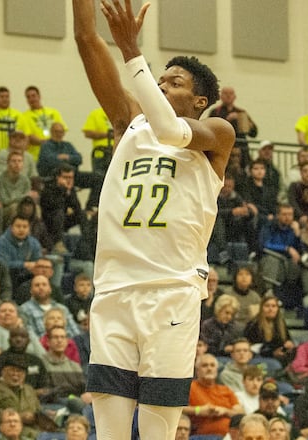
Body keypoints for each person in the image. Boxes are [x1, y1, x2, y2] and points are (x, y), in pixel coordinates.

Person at [73, 1, 235, 438]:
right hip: (114, 289)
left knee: (156, 431)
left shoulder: (217, 133)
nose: (161, 85)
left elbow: (170, 131)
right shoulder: (130, 123)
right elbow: (87, 40)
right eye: (158, 80)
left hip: (171, 292)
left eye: (174, 82)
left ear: (199, 100)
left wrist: (131, 49)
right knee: (108, 431)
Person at [184, 354, 244, 436]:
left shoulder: (225, 389)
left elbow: (240, 413)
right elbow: (178, 409)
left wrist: (225, 411)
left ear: (216, 369)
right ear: (197, 370)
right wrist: (198, 410)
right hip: (202, 436)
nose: (209, 368)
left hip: (230, 436)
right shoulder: (190, 387)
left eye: (212, 365)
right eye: (205, 365)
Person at [208, 86, 258, 169]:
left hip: (241, 151)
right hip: (223, 149)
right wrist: (227, 120)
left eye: (230, 94)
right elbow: (211, 129)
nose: (228, 96)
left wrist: (248, 124)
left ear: (234, 97)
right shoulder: (215, 112)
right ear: (221, 96)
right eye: (226, 93)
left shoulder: (241, 112)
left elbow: (254, 133)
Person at [244, 295, 296, 366]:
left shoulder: (281, 323)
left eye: (274, 306)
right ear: (261, 308)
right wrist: (272, 353)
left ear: (277, 309)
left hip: (280, 355)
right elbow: (253, 347)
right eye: (267, 306)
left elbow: (287, 340)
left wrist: (289, 344)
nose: (270, 309)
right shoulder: (254, 324)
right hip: (260, 357)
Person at [22, 86, 67, 159]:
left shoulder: (54, 112)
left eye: (33, 96)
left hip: (56, 154)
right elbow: (29, 137)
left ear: (39, 96)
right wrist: (49, 143)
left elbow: (62, 130)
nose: (31, 99)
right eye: (28, 97)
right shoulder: (24, 116)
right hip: (37, 157)